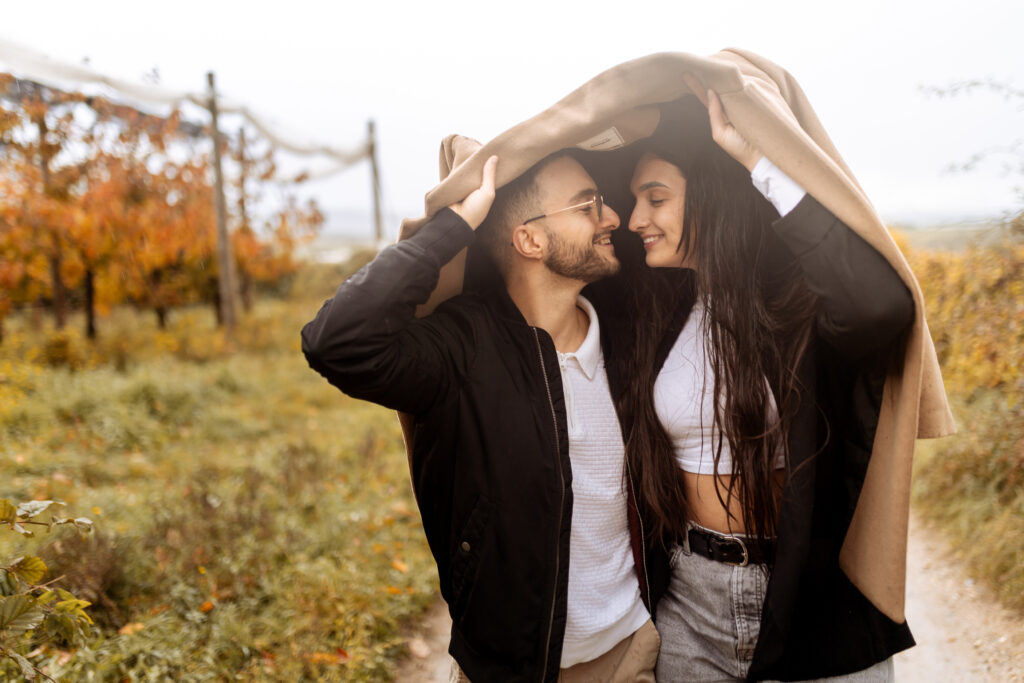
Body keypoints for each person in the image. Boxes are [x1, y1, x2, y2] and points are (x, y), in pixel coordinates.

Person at [301, 152, 660, 682]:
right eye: (588, 206)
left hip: (628, 655)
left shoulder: (633, 338)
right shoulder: (463, 349)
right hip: (504, 670)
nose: (611, 219)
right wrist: (456, 224)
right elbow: (335, 341)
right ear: (529, 240)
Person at [619, 81, 916, 681]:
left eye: (655, 198)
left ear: (711, 196)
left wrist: (755, 159)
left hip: (811, 597)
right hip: (691, 602)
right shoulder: (657, 312)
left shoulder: (794, 301)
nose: (634, 220)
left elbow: (880, 306)